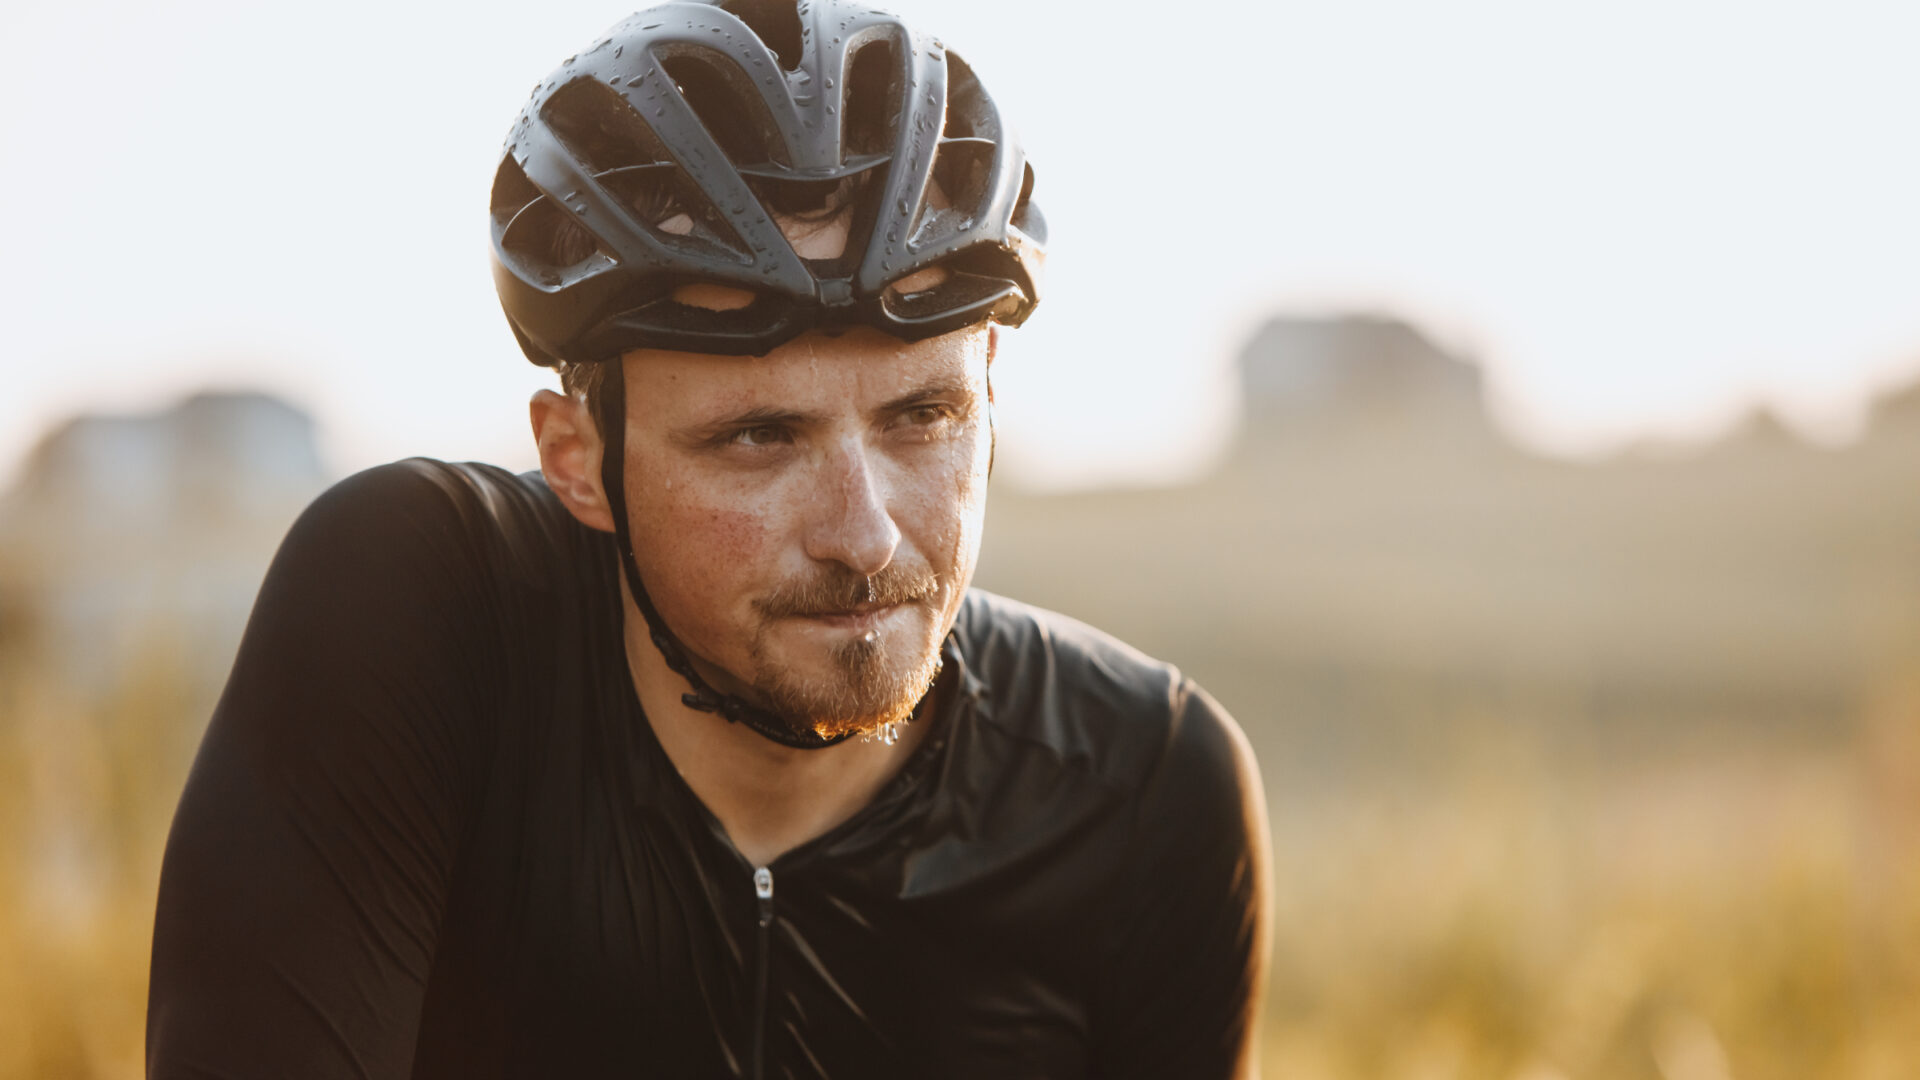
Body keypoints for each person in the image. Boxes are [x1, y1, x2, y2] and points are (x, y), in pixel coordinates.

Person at [146, 1, 1272, 1076]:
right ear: (578, 459)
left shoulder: (1146, 793)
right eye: (757, 437)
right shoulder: (419, 620)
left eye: (922, 417)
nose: (865, 537)